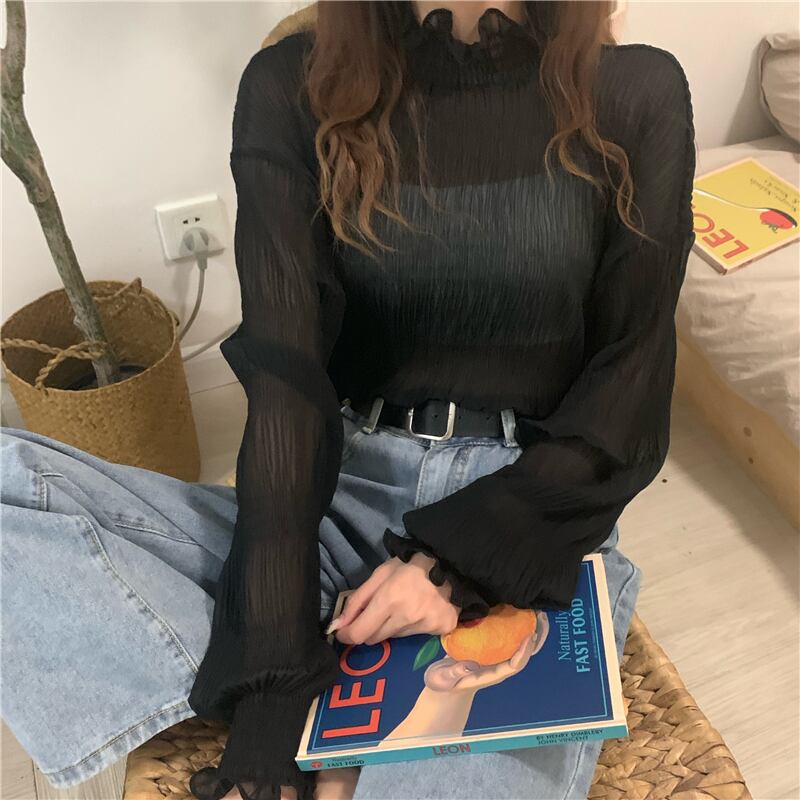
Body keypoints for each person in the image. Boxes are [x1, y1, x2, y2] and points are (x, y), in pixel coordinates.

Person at [0, 1, 696, 799]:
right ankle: (318, 680)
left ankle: (343, 684)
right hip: (338, 494)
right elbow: (287, 383)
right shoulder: (289, 88)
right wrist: (272, 685)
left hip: (526, 520)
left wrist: (448, 571)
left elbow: (631, 386)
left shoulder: (637, 92)